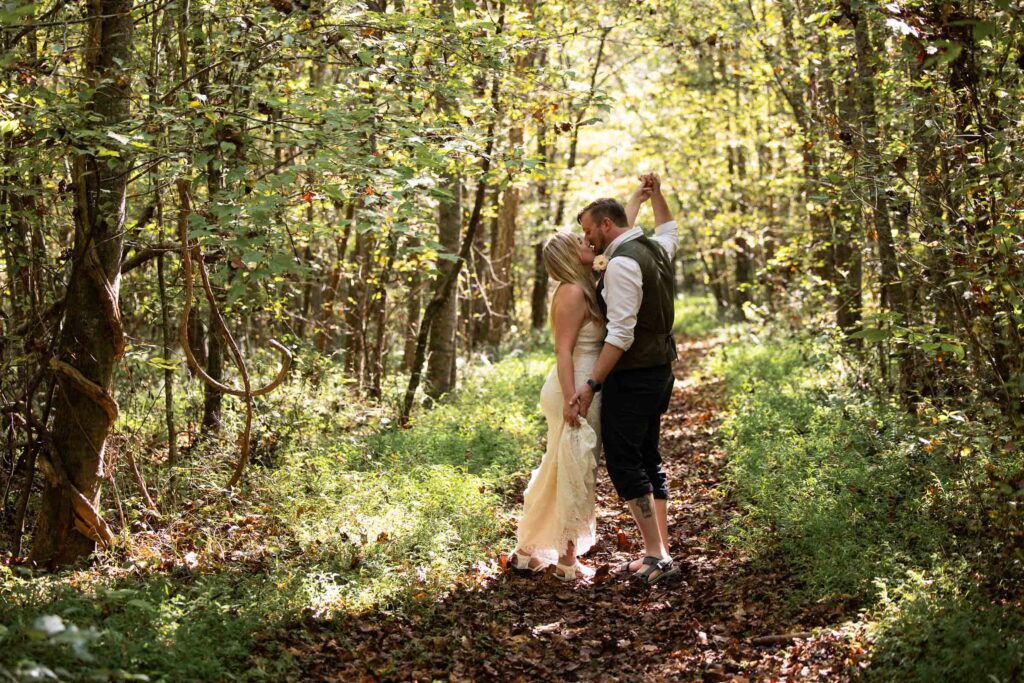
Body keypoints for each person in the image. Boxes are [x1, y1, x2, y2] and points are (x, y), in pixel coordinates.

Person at [509, 179, 655, 581]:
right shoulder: (573, 292)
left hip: (583, 386)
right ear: (567, 255)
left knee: (562, 468)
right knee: (576, 470)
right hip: (573, 388)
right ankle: (568, 560)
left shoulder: (586, 282)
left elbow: (614, 236)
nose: (587, 242)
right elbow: (562, 351)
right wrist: (577, 395)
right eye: (579, 241)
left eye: (586, 235)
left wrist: (636, 202)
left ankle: (526, 552)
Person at [571, 173, 681, 585]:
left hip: (633, 376)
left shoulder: (620, 265)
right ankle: (661, 549)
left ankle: (656, 555)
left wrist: (593, 383)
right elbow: (667, 229)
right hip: (659, 371)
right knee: (648, 456)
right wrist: (654, 196)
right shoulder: (653, 248)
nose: (588, 240)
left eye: (588, 231)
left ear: (605, 225)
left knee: (624, 461)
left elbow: (620, 334)